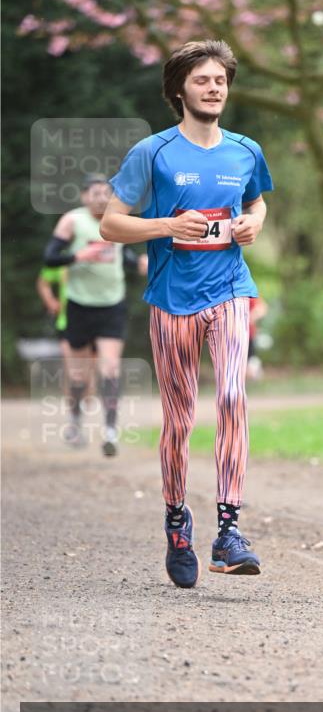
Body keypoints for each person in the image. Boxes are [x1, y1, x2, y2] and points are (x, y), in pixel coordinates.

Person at [99, 39, 273, 590]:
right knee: (178, 419)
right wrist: (166, 226)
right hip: (172, 300)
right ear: (180, 90)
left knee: (231, 395)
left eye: (220, 79)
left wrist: (255, 223)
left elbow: (257, 200)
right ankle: (177, 519)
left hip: (229, 291)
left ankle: (229, 531)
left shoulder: (245, 150)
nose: (214, 87)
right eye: (203, 80)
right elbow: (110, 223)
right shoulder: (152, 153)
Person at [43, 175, 147, 455]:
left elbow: (123, 256)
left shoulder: (116, 220)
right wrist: (80, 256)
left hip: (111, 305)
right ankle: (76, 419)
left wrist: (141, 264)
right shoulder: (72, 221)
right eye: (96, 193)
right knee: (78, 376)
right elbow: (50, 257)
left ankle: (110, 432)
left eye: (107, 194)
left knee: (110, 367)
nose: (102, 198)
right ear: (84, 196)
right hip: (79, 305)